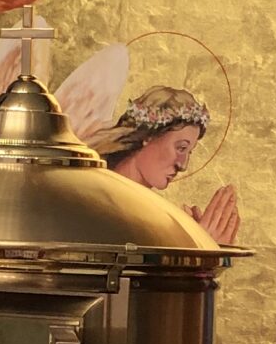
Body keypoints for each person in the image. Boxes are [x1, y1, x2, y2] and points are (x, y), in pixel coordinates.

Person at [93, 86, 241, 244]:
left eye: (189, 152)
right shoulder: (104, 202)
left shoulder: (146, 209)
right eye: (181, 148)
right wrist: (201, 249)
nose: (183, 165)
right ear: (149, 136)